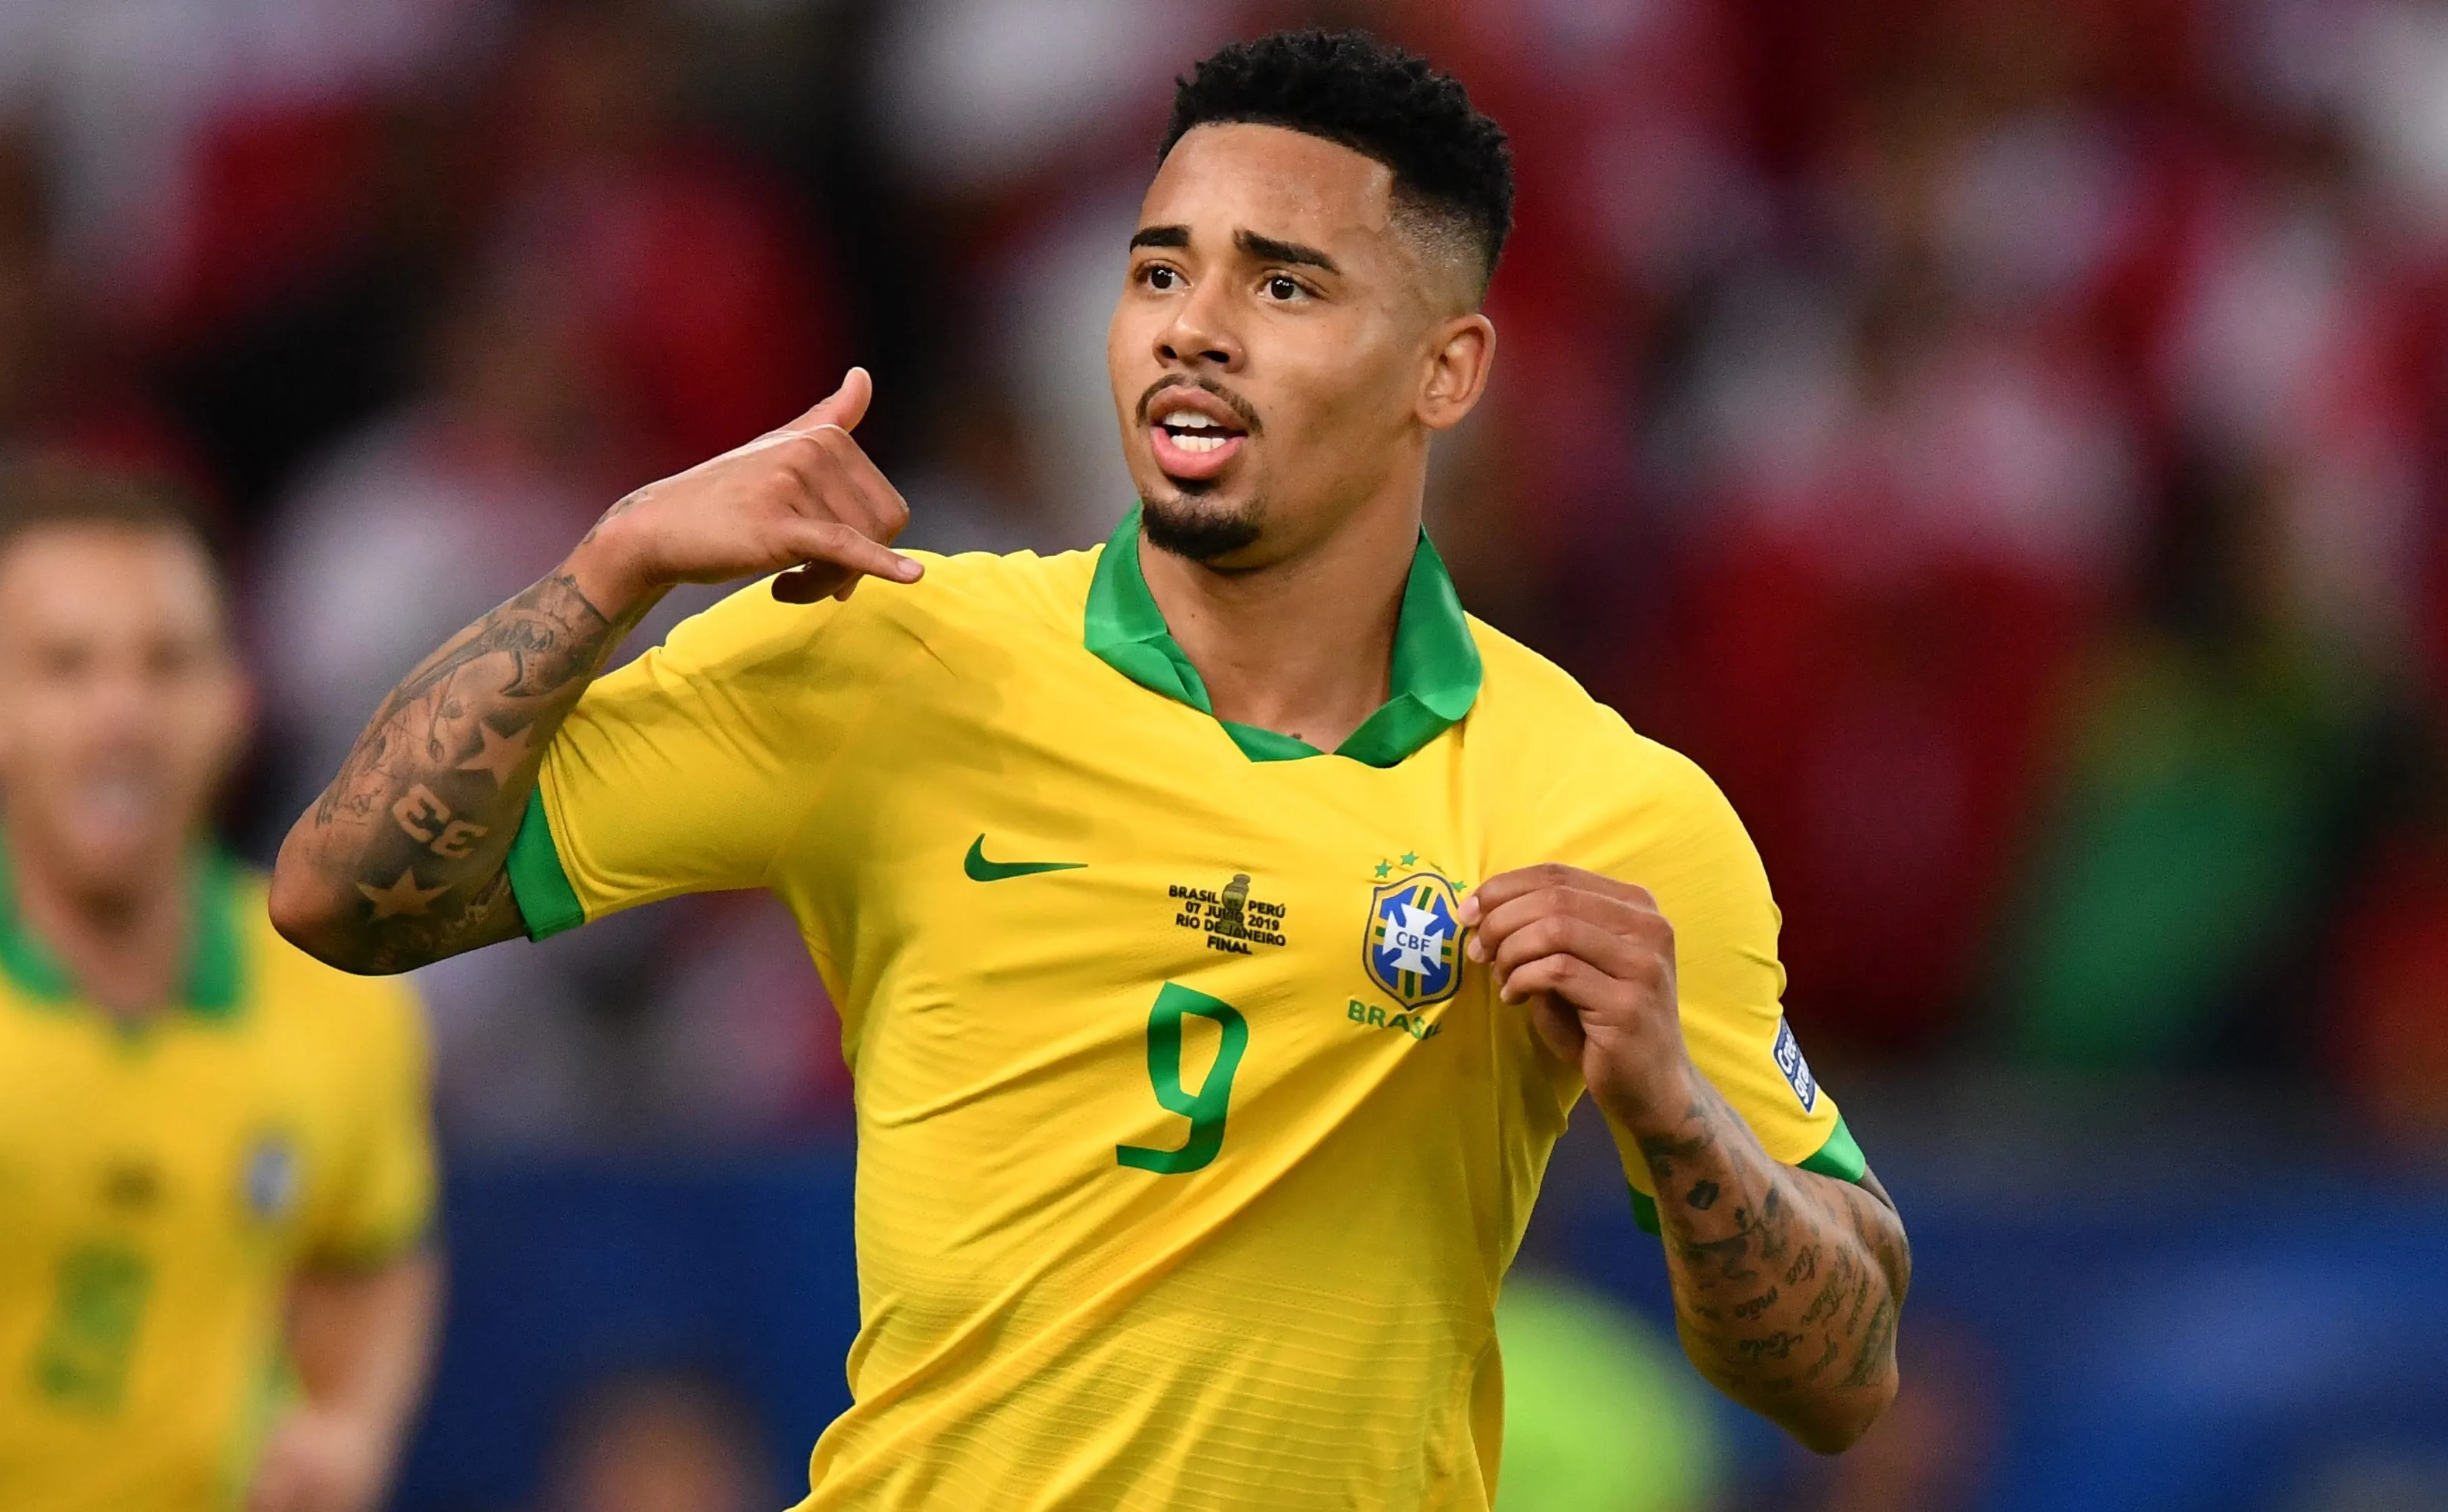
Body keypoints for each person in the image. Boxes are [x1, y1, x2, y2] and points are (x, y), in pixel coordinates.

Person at [272, 29, 1908, 1508]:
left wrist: (1672, 1110)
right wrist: (611, 569)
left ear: (1446, 370)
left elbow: (1842, 1375)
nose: (1192, 328)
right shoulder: (893, 653)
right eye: (1157, 272)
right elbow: (342, 895)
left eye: (1283, 285)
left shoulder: (1605, 805)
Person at [0, 459, 441, 1512]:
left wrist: (348, 1428)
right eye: (66, 667)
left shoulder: (341, 995)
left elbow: (376, 1252)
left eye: (165, 664)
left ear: (233, 705)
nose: (121, 715)